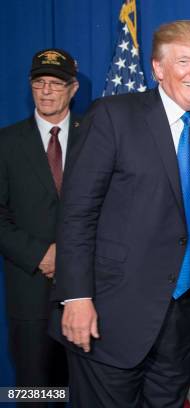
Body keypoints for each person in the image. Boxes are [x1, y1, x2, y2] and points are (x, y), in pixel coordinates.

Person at [49, 20, 190, 407]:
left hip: (184, 318)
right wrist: (76, 297)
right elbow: (77, 214)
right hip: (110, 314)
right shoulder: (113, 116)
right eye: (184, 61)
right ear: (157, 68)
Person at [0, 48, 79, 394]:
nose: (46, 90)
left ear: (73, 89)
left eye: (55, 83)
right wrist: (42, 255)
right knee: (33, 392)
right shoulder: (5, 143)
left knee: (84, 391)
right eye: (39, 82)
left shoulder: (96, 136)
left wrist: (72, 257)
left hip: (84, 293)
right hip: (29, 291)